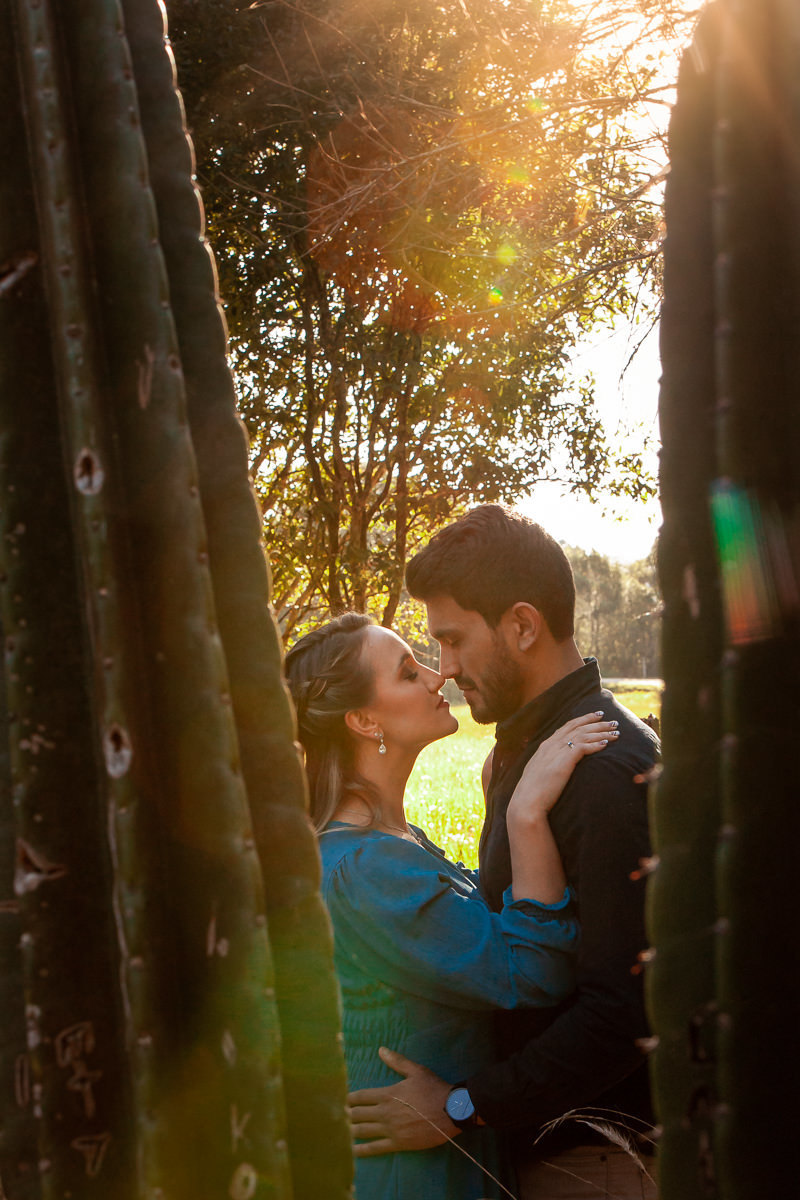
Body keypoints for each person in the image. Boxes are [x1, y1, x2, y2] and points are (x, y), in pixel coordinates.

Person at [347, 506, 660, 1199]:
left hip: (597, 1163)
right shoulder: (533, 755)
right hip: (545, 1152)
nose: (446, 669)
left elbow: (623, 1011)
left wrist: (460, 1105)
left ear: (522, 625)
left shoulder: (602, 772)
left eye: (453, 640)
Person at [285, 611, 621, 1200]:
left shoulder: (392, 842)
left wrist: (500, 799)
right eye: (407, 672)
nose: (436, 676)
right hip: (410, 1176)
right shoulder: (368, 870)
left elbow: (471, 928)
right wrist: (524, 813)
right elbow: (531, 973)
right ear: (364, 721)